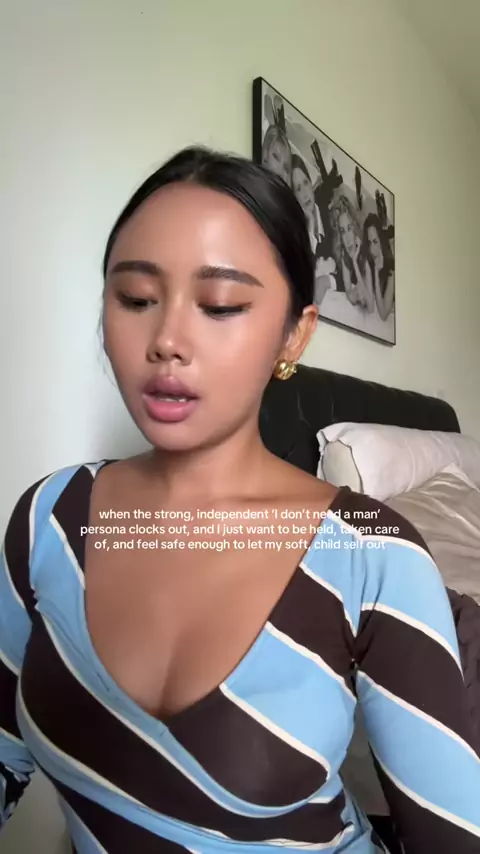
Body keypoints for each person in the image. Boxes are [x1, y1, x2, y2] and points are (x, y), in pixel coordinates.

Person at [0, 147, 479, 854]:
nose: (167, 341)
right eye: (136, 298)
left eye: (221, 306)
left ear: (295, 335)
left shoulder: (372, 552)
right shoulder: (51, 516)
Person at [291, 153, 336, 308]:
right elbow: (303, 280)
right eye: (298, 188)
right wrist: (310, 228)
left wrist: (327, 281)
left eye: (305, 183)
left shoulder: (329, 217)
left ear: (311, 184)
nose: (304, 193)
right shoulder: (295, 232)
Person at [332, 194, 375, 313]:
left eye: (349, 228)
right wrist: (356, 293)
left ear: (355, 229)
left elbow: (371, 307)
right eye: (342, 231)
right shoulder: (344, 255)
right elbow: (349, 293)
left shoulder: (365, 257)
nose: (347, 238)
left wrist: (355, 262)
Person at [363, 213, 395, 321]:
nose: (372, 248)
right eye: (369, 243)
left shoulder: (391, 269)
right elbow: (371, 306)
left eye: (375, 242)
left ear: (381, 241)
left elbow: (383, 314)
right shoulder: (368, 262)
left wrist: (376, 273)